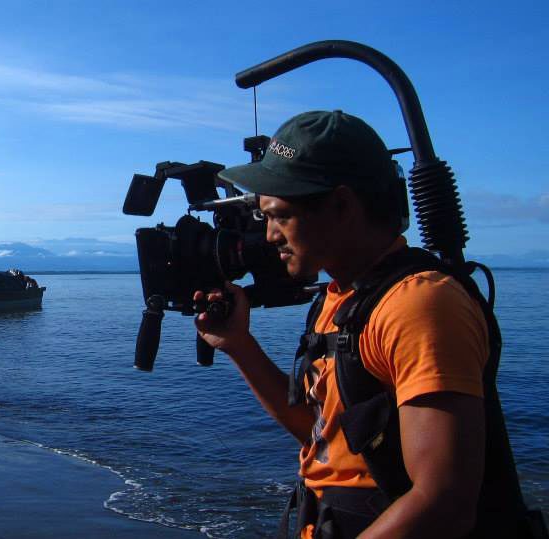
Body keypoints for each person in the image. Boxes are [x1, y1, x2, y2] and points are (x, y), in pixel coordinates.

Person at [194, 110, 534, 538]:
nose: (271, 236)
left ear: (342, 205)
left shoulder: (419, 306)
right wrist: (239, 345)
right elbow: (323, 436)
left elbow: (443, 503)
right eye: (265, 219)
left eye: (281, 215)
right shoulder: (342, 299)